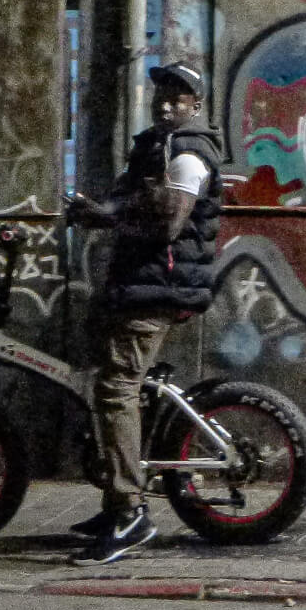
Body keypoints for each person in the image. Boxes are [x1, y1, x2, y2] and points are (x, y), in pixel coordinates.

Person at [63, 62, 224, 564]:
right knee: (109, 383)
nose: (166, 103)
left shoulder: (189, 152)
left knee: (116, 389)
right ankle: (116, 502)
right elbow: (128, 202)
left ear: (196, 106)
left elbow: (169, 223)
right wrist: (101, 210)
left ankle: (131, 513)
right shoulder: (153, 146)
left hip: (161, 287)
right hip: (138, 282)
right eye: (161, 95)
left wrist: (111, 215)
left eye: (179, 96)